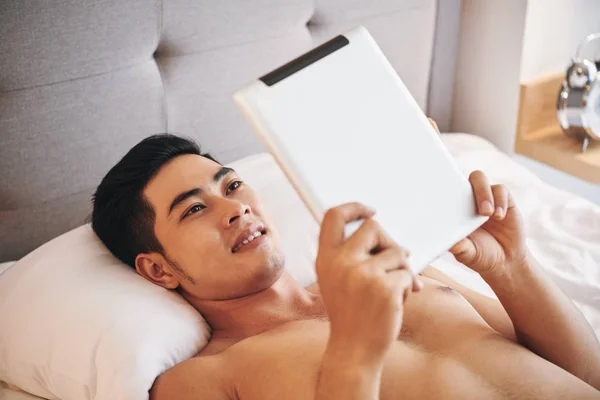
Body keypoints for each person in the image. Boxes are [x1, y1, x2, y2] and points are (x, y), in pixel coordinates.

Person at [91, 123, 600, 400]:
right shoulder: (200, 381)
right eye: (196, 208)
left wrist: (513, 268)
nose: (235, 208)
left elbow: (587, 376)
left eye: (232, 185)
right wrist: (354, 353)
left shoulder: (405, 274)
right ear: (158, 269)